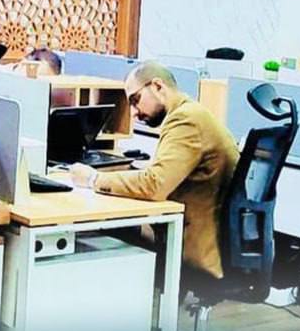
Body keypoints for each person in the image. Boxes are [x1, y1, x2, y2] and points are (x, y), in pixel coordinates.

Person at [68, 62, 238, 278]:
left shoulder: (185, 120)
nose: (133, 113)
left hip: (193, 246)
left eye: (135, 100)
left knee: (100, 229)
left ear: (157, 86)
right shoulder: (192, 112)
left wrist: (94, 179)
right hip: (209, 236)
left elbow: (155, 184)